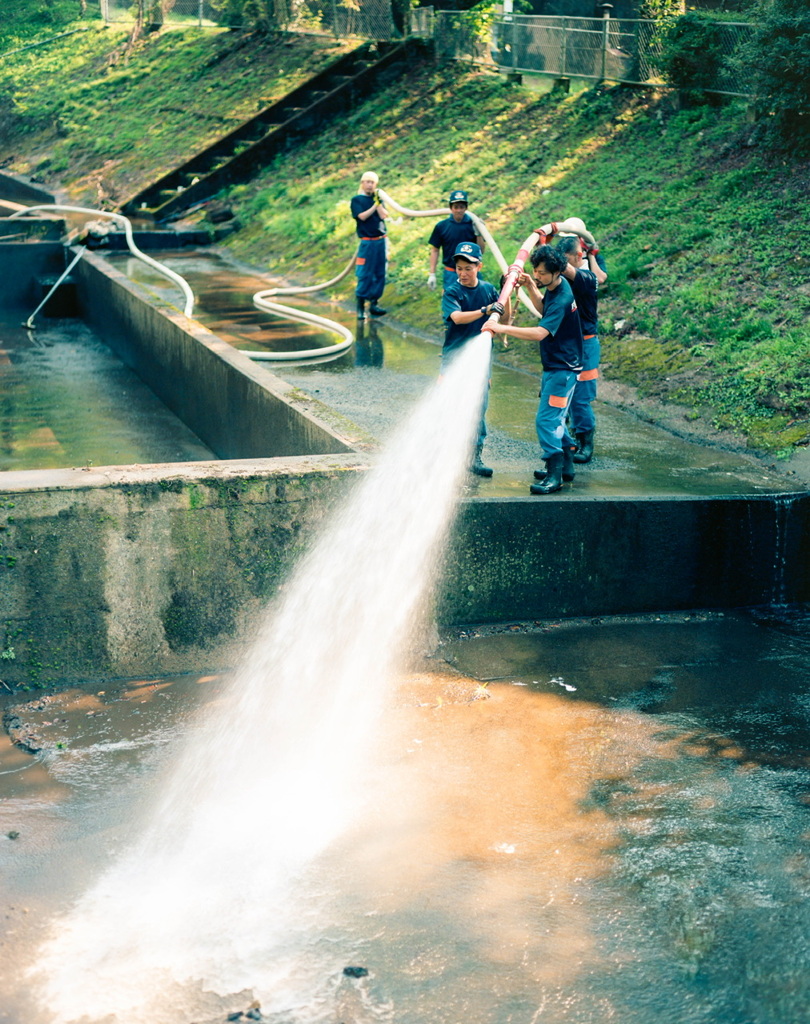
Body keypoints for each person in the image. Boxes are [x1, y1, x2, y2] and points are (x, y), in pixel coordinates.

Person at [484, 244, 583, 495]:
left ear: (557, 271)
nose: (537, 276)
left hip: (562, 371)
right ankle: (565, 466)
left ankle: (554, 476)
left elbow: (540, 332)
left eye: (541, 273)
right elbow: (542, 310)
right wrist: (530, 286)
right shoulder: (556, 287)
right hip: (559, 367)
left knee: (546, 420)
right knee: (556, 418)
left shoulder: (562, 298)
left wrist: (502, 328)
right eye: (535, 271)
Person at [442, 241, 509, 478]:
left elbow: (506, 318)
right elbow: (457, 318)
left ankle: (474, 457)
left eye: (468, 268)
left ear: (478, 266)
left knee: (477, 411)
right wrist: (484, 310)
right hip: (454, 360)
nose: (463, 273)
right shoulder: (452, 291)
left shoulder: (489, 289)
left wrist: (505, 294)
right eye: (459, 268)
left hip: (480, 363)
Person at [555, 233, 607, 463]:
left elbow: (567, 271)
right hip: (563, 343)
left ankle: (585, 441)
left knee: (580, 398)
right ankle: (566, 444)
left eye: (567, 260)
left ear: (580, 256)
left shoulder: (588, 277)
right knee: (559, 396)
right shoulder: (558, 278)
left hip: (585, 344)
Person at [427, 190, 486, 293]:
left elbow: (481, 250)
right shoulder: (442, 226)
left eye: (461, 207)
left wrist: (479, 233)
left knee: (476, 301)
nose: (459, 210)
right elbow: (435, 250)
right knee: (452, 303)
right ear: (451, 208)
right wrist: (432, 274)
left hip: (472, 271)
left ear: (466, 208)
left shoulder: (473, 224)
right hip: (451, 273)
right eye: (456, 207)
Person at [350, 171, 388, 320]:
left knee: (380, 273)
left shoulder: (377, 199)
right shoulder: (357, 200)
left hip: (381, 240)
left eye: (373, 182)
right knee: (365, 273)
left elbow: (384, 215)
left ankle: (374, 304)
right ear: (362, 183)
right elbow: (362, 216)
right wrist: (374, 205)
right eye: (367, 182)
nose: (370, 185)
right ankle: (360, 307)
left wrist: (378, 202)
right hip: (367, 242)